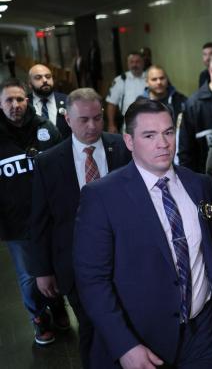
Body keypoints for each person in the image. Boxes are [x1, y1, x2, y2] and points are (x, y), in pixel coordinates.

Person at [73, 98, 212, 368]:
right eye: (149, 135)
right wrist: (125, 345)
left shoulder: (199, 184)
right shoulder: (102, 197)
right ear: (129, 141)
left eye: (168, 132)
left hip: (203, 333)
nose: (163, 143)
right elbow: (92, 280)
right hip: (143, 339)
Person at [29, 88, 131, 367]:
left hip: (125, 258)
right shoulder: (48, 162)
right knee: (92, 327)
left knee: (129, 322)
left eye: (97, 118)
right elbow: (39, 222)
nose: (92, 126)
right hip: (75, 266)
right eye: (84, 119)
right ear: (67, 119)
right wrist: (42, 270)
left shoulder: (122, 148)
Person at [0, 78, 65, 346]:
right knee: (29, 277)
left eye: (19, 99)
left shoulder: (46, 129)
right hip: (16, 222)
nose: (15, 105)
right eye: (9, 100)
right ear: (0, 104)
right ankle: (39, 318)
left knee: (57, 269)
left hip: (50, 218)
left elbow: (63, 167)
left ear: (27, 100)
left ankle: (58, 306)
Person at [105, 51, 146, 133]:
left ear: (143, 63)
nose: (134, 65)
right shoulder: (120, 80)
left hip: (150, 120)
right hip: (128, 122)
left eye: (137, 62)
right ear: (127, 64)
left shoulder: (150, 78)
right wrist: (111, 125)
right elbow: (112, 104)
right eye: (131, 62)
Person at [27, 64, 72, 138]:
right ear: (30, 84)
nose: (45, 80)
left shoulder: (68, 100)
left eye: (48, 77)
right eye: (38, 78)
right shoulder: (25, 104)